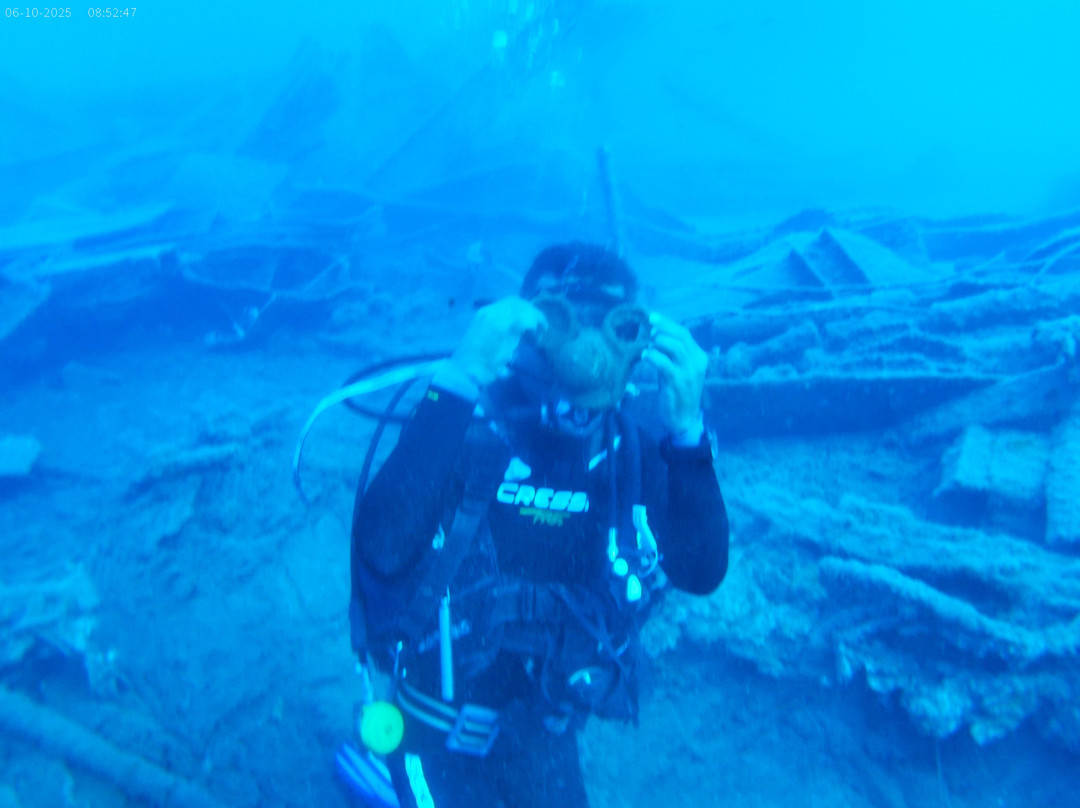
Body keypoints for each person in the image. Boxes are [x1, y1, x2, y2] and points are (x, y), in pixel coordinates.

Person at [348, 242, 729, 808]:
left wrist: (687, 432)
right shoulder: (467, 429)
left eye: (617, 327)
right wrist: (459, 377)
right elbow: (381, 548)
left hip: (546, 737)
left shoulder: (628, 451)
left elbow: (699, 570)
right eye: (560, 319)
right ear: (526, 328)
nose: (588, 349)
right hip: (429, 733)